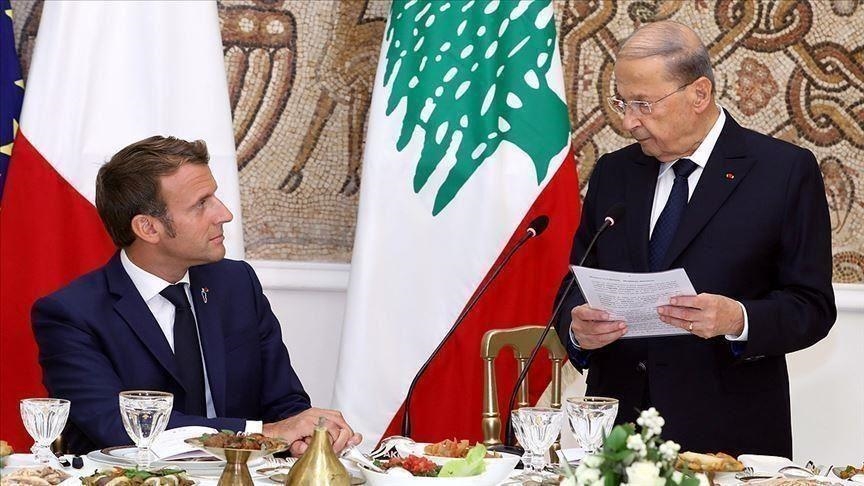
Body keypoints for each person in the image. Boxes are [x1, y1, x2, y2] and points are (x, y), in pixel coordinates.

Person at [555, 21, 835, 457]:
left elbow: (812, 306)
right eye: (622, 103)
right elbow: (575, 284)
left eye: (643, 104)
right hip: (620, 437)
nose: (628, 121)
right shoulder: (614, 172)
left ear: (699, 94)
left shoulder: (783, 172)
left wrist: (738, 319)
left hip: (727, 438)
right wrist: (578, 328)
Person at [32, 136, 361, 455]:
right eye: (201, 204)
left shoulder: (237, 284)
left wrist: (305, 436)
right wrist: (263, 434)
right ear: (148, 228)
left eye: (214, 197)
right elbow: (117, 427)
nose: (224, 214)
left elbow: (284, 404)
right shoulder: (71, 315)